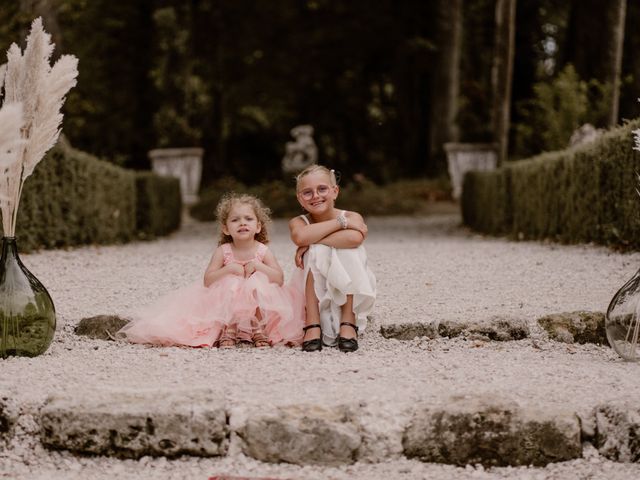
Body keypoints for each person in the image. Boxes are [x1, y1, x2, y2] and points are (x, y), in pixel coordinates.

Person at [118, 193, 303, 348]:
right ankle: (228, 328)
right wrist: (228, 269)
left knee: (255, 284)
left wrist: (259, 266)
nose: (242, 223)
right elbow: (208, 280)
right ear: (226, 228)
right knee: (231, 283)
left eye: (248, 219)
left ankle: (257, 329)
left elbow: (278, 278)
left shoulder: (262, 250)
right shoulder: (224, 251)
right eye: (235, 220)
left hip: (259, 306)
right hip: (227, 303)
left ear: (258, 226)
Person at [289, 165, 376, 352]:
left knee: (344, 250)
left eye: (322, 189)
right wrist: (340, 224)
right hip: (314, 286)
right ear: (299, 199)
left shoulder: (352, 215)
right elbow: (300, 237)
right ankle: (312, 321)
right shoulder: (299, 222)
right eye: (307, 193)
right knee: (315, 252)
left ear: (335, 191)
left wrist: (312, 241)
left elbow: (354, 239)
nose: (316, 196)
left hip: (349, 285)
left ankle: (348, 318)